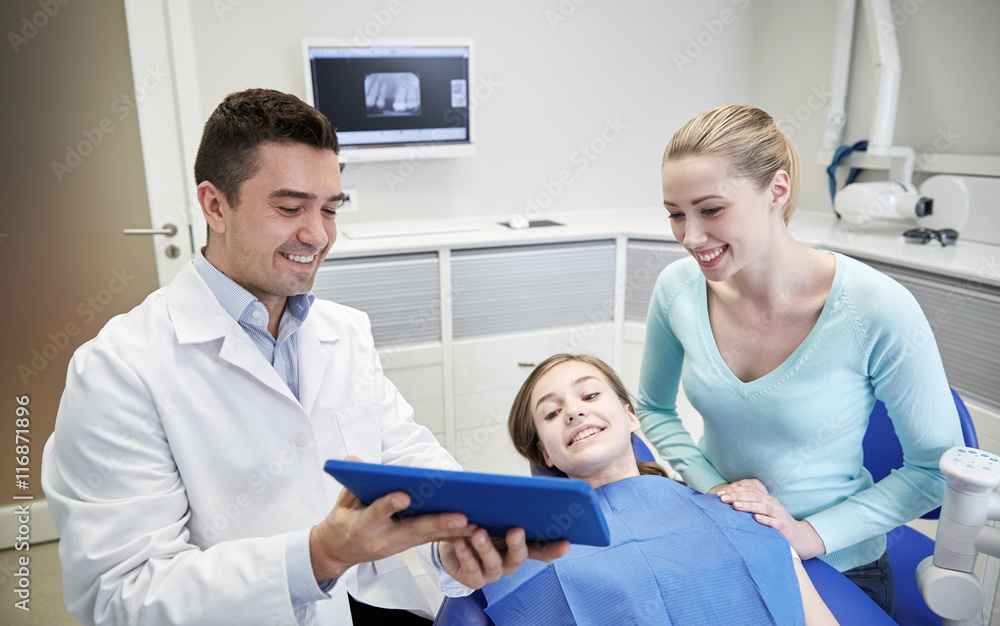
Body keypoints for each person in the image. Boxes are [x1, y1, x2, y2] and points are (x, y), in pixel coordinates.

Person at [40, 88, 567, 626]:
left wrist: (457, 540)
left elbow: (408, 457)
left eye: (330, 209)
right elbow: (121, 596)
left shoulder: (343, 331)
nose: (317, 234)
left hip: (374, 605)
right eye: (290, 208)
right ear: (215, 205)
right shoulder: (117, 370)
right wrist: (318, 556)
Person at [637, 104, 965, 614]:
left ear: (778, 191)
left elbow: (934, 471)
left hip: (835, 562)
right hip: (726, 538)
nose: (690, 237)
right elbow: (654, 408)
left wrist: (807, 534)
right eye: (676, 214)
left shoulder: (878, 309)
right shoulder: (677, 290)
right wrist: (719, 489)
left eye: (711, 210)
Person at [484, 353, 838, 625]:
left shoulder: (738, 512)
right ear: (545, 453)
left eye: (589, 395)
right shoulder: (528, 554)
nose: (574, 412)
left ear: (631, 416)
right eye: (551, 413)